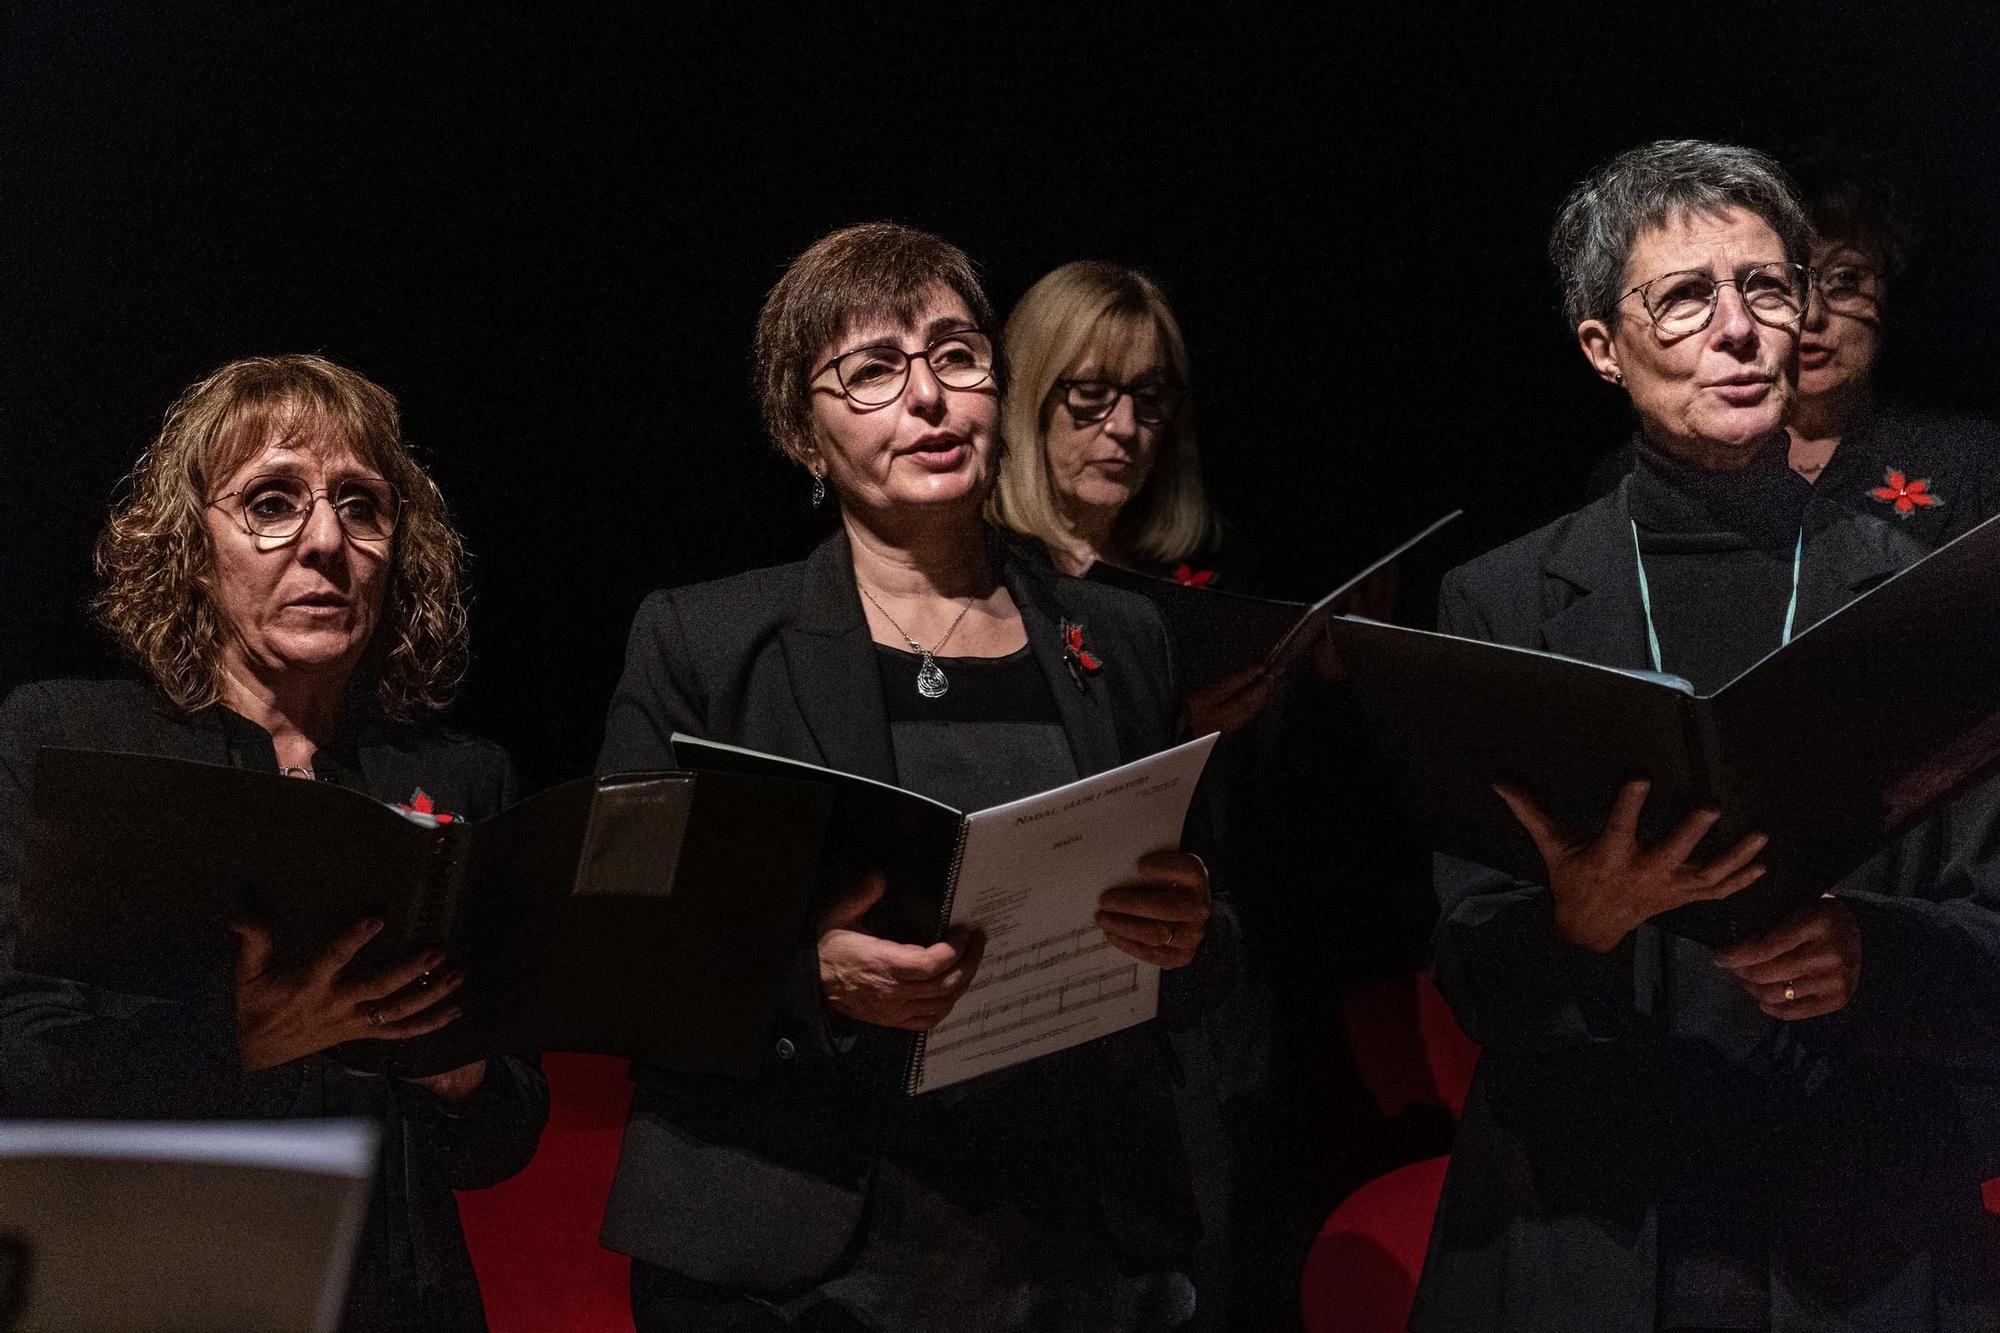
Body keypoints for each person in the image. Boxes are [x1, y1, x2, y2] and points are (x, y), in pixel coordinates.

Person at [1412, 141, 2000, 1333]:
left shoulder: (1924, 600)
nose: (1736, 329)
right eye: (1683, 298)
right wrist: (1572, 922)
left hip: (1851, 1218)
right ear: (1600, 347)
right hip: (1587, 1216)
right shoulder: (1503, 603)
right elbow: (1471, 964)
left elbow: (1989, 941)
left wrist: (1864, 952)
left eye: (1766, 287)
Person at [597, 223, 1228, 1332]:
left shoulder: (1120, 638)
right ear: (803, 431)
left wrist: (1187, 934)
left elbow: (1219, 926)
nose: (928, 399)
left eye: (955, 355)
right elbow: (612, 941)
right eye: (874, 371)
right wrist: (811, 979)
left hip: (1072, 1246)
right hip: (803, 1262)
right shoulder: (705, 642)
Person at [0, 355, 548, 1332]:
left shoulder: (462, 777)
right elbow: (23, 1056)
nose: (326, 541)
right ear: (189, 542)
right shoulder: (68, 740)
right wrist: (246, 1035)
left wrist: (456, 1070)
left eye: (362, 506)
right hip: (139, 1284)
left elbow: (502, 1136)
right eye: (271, 502)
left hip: (396, 1297)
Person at [1589, 143, 2000, 517]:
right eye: (1777, 285)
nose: (1811, 314)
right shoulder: (1632, 481)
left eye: (1845, 280)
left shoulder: (1970, 458)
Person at [990, 260, 1254, 588]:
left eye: (1150, 395)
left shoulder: (1192, 577)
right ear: (1030, 403)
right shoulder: (983, 575)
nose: (1126, 427)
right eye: (1091, 392)